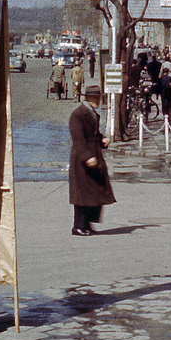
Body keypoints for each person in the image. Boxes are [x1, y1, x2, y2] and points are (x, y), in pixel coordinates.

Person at [68, 83, 116, 236]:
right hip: (83, 159)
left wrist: (102, 140)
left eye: (98, 97)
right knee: (82, 193)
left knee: (94, 191)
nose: (98, 100)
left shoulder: (92, 113)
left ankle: (87, 224)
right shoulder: (78, 114)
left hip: (94, 154)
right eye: (95, 97)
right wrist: (87, 157)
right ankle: (78, 226)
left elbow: (93, 134)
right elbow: (78, 139)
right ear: (88, 98)